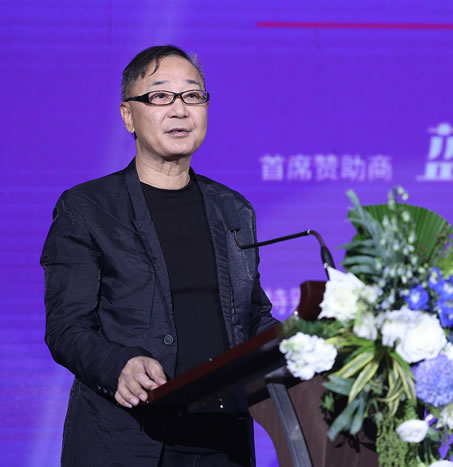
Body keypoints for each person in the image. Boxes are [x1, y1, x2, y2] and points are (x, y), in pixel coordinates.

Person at [40, 45, 277, 466]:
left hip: (224, 442)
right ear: (128, 116)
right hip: (128, 442)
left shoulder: (233, 210)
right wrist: (118, 365)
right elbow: (66, 327)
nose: (180, 110)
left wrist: (316, 342)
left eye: (193, 95)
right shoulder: (88, 209)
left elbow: (252, 316)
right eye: (160, 96)